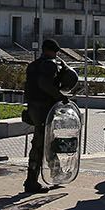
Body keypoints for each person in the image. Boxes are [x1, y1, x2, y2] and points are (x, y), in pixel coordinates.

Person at [23, 39, 72, 193]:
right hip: (43, 108)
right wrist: (59, 96)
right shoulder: (50, 64)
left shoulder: (33, 65)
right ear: (50, 51)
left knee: (46, 142)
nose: (56, 54)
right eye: (55, 51)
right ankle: (31, 181)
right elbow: (44, 84)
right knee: (40, 144)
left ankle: (57, 172)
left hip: (34, 107)